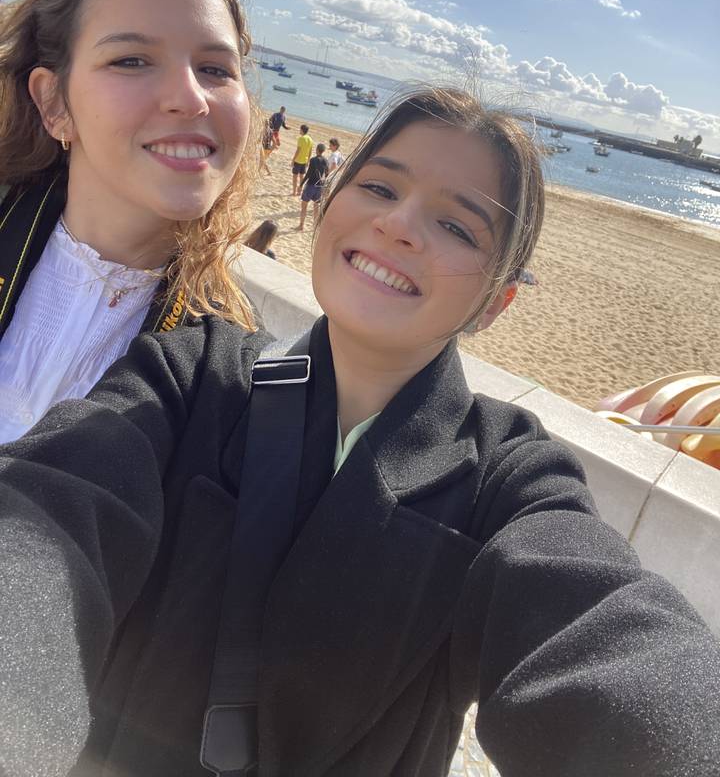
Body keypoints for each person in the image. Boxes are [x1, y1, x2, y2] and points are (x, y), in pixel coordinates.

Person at [1, 87, 720, 777]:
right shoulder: (190, 375)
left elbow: (607, 639)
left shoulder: (508, 482)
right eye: (379, 187)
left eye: (456, 225)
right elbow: (45, 522)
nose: (399, 224)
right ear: (333, 203)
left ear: (494, 303)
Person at [0, 0, 257, 444]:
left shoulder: (238, 379)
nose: (190, 98)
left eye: (215, 69)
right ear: (54, 102)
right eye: (132, 60)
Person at [298, 141, 328, 231]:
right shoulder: (326, 161)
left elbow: (308, 174)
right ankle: (314, 226)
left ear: (317, 150)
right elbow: (327, 173)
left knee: (304, 206)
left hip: (311, 185)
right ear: (323, 151)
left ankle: (301, 225)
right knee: (316, 208)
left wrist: (301, 184)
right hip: (319, 186)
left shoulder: (313, 160)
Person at [291, 123, 313, 195]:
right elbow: (310, 151)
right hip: (305, 161)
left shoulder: (301, 138)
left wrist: (293, 159)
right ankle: (299, 192)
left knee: (295, 177)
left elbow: (298, 150)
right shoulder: (310, 139)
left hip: (298, 160)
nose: (299, 130)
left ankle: (294, 192)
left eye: (300, 129)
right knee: (301, 177)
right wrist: (308, 161)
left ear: (302, 130)